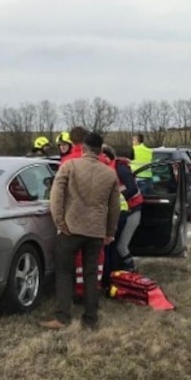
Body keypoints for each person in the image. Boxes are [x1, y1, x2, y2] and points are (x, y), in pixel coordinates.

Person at [40, 131, 121, 331]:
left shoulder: (69, 166)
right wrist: (110, 232)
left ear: (83, 148)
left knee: (64, 271)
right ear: (100, 150)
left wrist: (60, 222)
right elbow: (115, 207)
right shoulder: (109, 174)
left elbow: (56, 197)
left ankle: (63, 317)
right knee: (91, 273)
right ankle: (91, 318)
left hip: (71, 228)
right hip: (95, 231)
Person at [100, 145, 143, 290]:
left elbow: (132, 188)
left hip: (131, 210)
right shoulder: (112, 168)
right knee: (115, 247)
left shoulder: (119, 168)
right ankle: (119, 275)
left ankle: (130, 272)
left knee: (121, 246)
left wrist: (116, 197)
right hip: (122, 210)